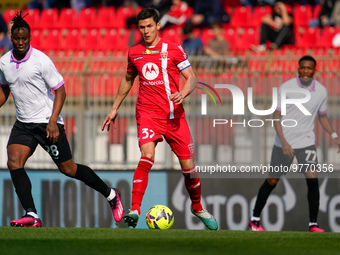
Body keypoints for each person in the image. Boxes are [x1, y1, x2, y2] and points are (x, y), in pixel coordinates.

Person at [0, 12, 124, 227]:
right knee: (13, 161)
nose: (21, 42)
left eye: (25, 38)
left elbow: (61, 91)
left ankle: (110, 194)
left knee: (68, 169)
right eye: (17, 38)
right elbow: (4, 90)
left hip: (47, 121)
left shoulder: (41, 60)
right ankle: (32, 214)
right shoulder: (3, 63)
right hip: (23, 124)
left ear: (30, 37)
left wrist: (53, 121)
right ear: (11, 38)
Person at [102, 8, 218, 230]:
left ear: (158, 26)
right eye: (142, 27)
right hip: (147, 114)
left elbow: (191, 78)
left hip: (174, 116)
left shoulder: (173, 49)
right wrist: (114, 108)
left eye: (149, 26)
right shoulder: (134, 52)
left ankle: (197, 206)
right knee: (147, 156)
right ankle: (135, 209)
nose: (146, 31)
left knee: (189, 170)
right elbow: (128, 79)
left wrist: (182, 93)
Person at [249, 55, 340, 232]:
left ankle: (313, 224)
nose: (306, 71)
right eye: (303, 68)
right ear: (298, 69)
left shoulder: (321, 91)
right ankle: (255, 218)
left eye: (309, 68)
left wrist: (334, 135)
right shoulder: (286, 88)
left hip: (306, 142)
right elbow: (276, 116)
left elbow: (322, 116)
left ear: (315, 70)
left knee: (313, 180)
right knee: (272, 180)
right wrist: (283, 142)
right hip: (284, 144)